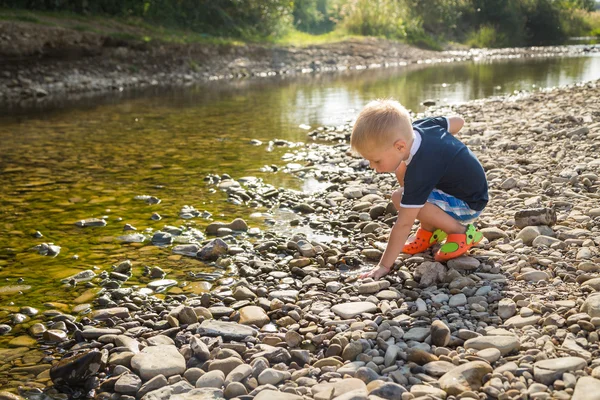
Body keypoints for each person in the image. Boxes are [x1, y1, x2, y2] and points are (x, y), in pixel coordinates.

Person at [351, 99, 489, 280]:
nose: (372, 166)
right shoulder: (421, 127)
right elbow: (458, 122)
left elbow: (404, 224)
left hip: (469, 203)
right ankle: (431, 228)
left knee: (401, 198)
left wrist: (383, 266)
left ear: (399, 146)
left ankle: (461, 232)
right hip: (467, 188)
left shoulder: (421, 168)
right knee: (402, 169)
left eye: (376, 160)